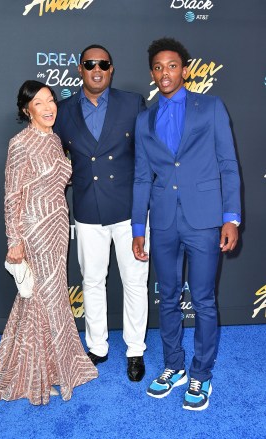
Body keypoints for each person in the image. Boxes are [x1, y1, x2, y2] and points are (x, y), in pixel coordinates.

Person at [132, 38, 241, 410]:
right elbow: (142, 178)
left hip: (205, 219)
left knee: (205, 300)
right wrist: (137, 229)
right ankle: (173, 366)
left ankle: (202, 374)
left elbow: (228, 164)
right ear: (152, 73)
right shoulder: (144, 119)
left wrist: (231, 218)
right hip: (162, 221)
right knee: (167, 299)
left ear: (185, 70)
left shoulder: (210, 107)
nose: (166, 72)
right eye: (159, 67)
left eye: (173, 66)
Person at [0, 80, 98, 405]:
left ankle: (52, 366)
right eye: (39, 103)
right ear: (26, 110)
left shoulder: (56, 139)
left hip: (59, 224)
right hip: (34, 228)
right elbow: (12, 196)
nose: (49, 108)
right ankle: (36, 372)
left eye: (51, 101)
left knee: (49, 297)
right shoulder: (20, 144)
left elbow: (60, 179)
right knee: (42, 298)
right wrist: (14, 241)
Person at [54, 44, 149, 382]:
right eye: (90, 63)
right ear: (80, 68)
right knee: (92, 281)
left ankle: (135, 350)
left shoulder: (133, 103)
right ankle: (97, 346)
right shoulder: (62, 111)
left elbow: (146, 158)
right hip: (88, 212)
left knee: (135, 282)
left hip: (128, 211)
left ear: (112, 69)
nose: (97, 69)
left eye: (103, 64)